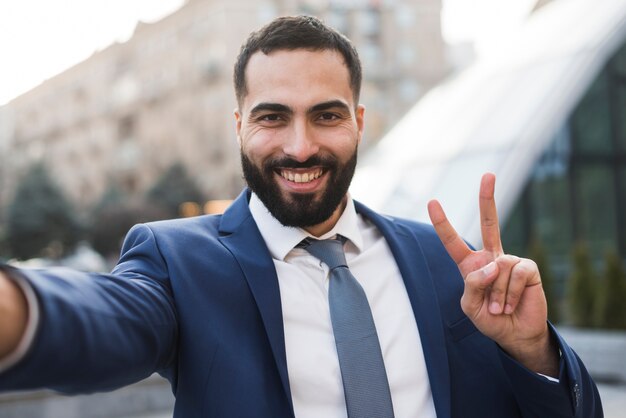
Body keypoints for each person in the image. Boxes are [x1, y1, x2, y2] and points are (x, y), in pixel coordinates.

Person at [0, 15, 602, 418]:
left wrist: (534, 356)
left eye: (327, 115)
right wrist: (15, 310)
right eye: (271, 117)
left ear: (360, 123)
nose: (299, 146)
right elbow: (105, 322)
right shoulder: (176, 260)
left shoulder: (448, 264)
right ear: (239, 126)